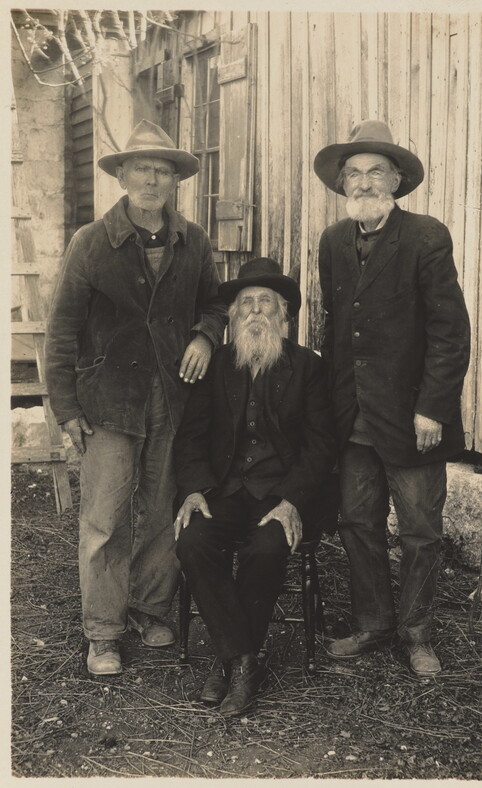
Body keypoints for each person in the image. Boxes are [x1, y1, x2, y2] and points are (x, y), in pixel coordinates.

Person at [45, 120, 227, 676]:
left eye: (162, 171)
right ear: (121, 176)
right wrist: (67, 410)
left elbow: (216, 303)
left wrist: (204, 334)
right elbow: (62, 331)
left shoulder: (193, 239)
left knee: (161, 510)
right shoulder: (90, 242)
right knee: (103, 518)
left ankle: (150, 609)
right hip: (110, 401)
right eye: (141, 169)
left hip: (172, 397)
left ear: (176, 181)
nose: (151, 179)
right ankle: (102, 631)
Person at [314, 120, 470, 676]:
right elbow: (332, 332)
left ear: (397, 179)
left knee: (421, 530)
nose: (362, 181)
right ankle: (374, 624)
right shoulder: (333, 242)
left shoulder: (426, 236)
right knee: (358, 522)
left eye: (375, 170)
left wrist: (432, 406)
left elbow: (450, 331)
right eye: (352, 173)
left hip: (412, 417)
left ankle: (418, 633)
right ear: (341, 184)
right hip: (353, 416)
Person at [174, 257, 336, 716]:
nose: (256, 311)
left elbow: (321, 447)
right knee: (193, 540)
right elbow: (190, 437)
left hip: (278, 495)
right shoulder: (216, 365)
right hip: (222, 491)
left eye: (267, 302)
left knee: (268, 548)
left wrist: (291, 502)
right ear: (233, 316)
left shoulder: (309, 367)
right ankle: (242, 660)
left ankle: (229, 664)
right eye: (247, 303)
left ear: (283, 315)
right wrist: (193, 490)